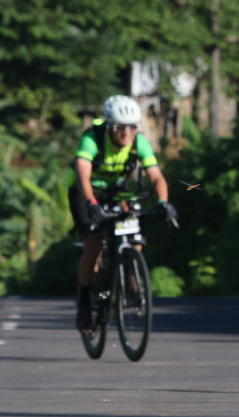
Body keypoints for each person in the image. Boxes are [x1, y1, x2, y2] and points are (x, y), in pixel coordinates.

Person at [70, 95, 177, 332]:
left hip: (116, 192)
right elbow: (82, 176)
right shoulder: (92, 139)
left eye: (132, 127)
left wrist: (164, 203)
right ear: (110, 126)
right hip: (85, 192)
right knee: (93, 243)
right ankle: (84, 304)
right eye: (120, 127)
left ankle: (130, 272)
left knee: (134, 225)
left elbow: (156, 176)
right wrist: (91, 203)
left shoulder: (140, 143)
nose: (127, 132)